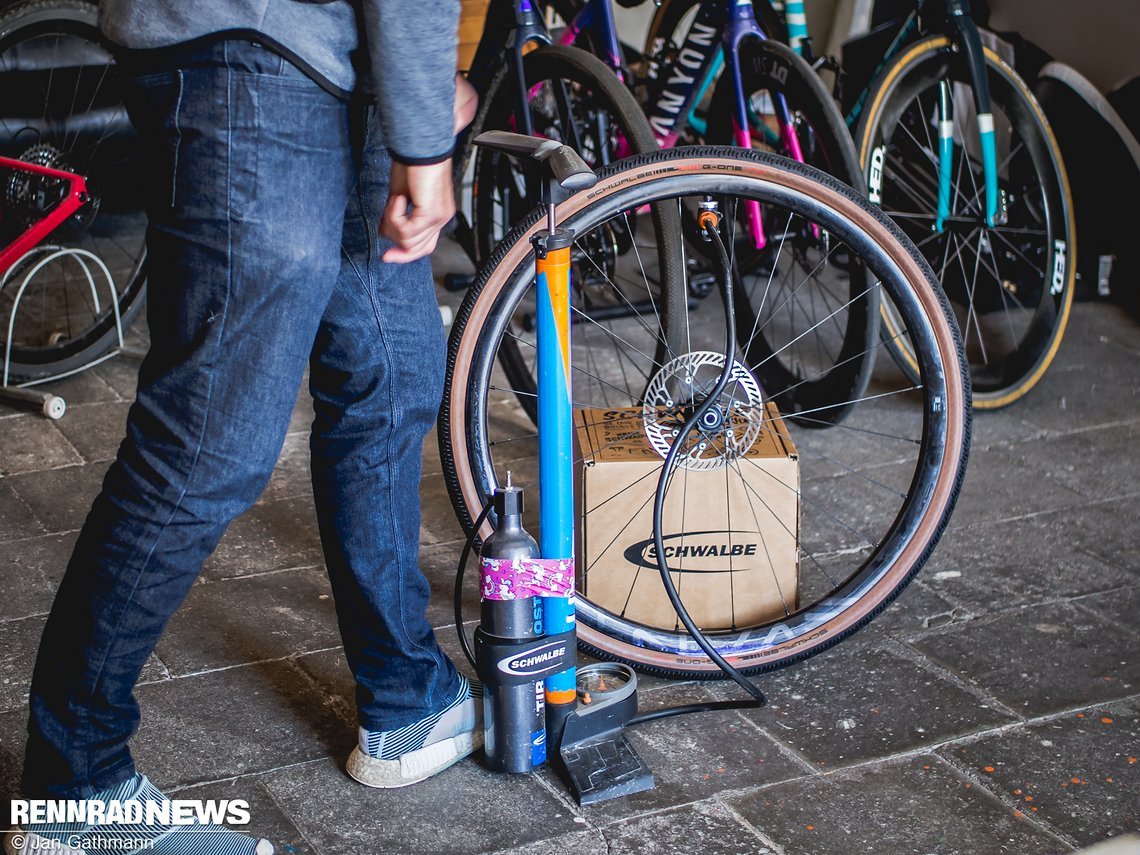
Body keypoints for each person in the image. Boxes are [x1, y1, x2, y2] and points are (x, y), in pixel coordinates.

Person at [9, 2, 480, 853]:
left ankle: (407, 697)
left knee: (391, 371)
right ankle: (73, 789)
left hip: (339, 61)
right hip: (253, 52)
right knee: (206, 444)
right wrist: (425, 139)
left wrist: (415, 84)